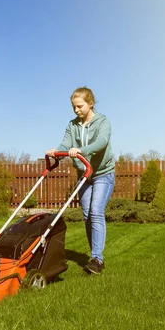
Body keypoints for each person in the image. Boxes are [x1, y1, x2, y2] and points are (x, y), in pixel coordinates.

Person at [46, 87, 115, 275]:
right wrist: (56, 152)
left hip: (102, 173)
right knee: (87, 215)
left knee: (96, 211)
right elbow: (65, 143)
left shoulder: (103, 122)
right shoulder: (72, 125)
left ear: (90, 103)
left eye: (79, 106)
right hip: (84, 176)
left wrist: (81, 151)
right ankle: (95, 255)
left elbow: (102, 142)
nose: (76, 110)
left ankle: (97, 259)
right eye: (73, 107)